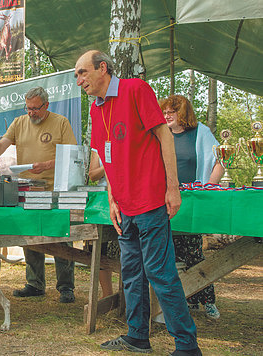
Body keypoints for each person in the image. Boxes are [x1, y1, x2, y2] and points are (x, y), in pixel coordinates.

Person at [75, 50, 201, 356]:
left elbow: (165, 136)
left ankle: (187, 346)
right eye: (77, 75)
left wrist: (173, 188)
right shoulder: (96, 109)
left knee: (160, 272)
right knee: (131, 272)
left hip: (150, 200)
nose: (79, 80)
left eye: (82, 72)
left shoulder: (135, 89)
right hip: (124, 206)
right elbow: (107, 156)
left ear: (102, 68)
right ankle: (137, 336)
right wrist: (111, 198)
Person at [0, 86, 77, 303]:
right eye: (28, 108)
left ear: (46, 106)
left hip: (55, 189)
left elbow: (71, 155)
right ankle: (35, 284)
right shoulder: (19, 122)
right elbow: (4, 143)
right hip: (27, 188)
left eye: (35, 108)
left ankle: (65, 287)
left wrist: (47, 165)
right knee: (30, 234)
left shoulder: (61, 122)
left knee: (60, 235)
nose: (31, 113)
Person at [160, 94, 224, 320]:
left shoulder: (202, 132)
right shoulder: (160, 134)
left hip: (192, 200)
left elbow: (220, 160)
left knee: (194, 253)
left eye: (171, 112)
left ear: (183, 113)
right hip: (165, 200)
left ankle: (207, 301)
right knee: (171, 253)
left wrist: (208, 188)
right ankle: (184, 300)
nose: (166, 115)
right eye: (165, 111)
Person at [87, 149, 120, 298]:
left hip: (124, 196)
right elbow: (93, 175)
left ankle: (128, 296)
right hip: (103, 200)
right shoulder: (98, 143)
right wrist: (110, 165)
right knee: (99, 246)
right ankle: (107, 294)